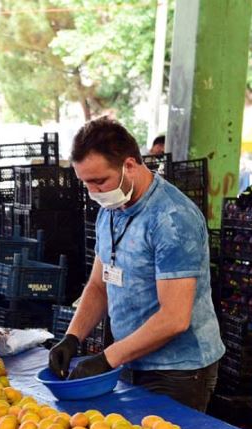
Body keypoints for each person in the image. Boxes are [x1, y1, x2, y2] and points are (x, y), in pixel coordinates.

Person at [48, 118, 224, 412]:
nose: (93, 191)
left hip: (178, 371)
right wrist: (72, 337)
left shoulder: (171, 218)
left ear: (129, 165)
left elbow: (175, 317)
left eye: (99, 181)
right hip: (129, 359)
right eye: (86, 183)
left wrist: (107, 358)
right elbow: (98, 286)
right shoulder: (111, 208)